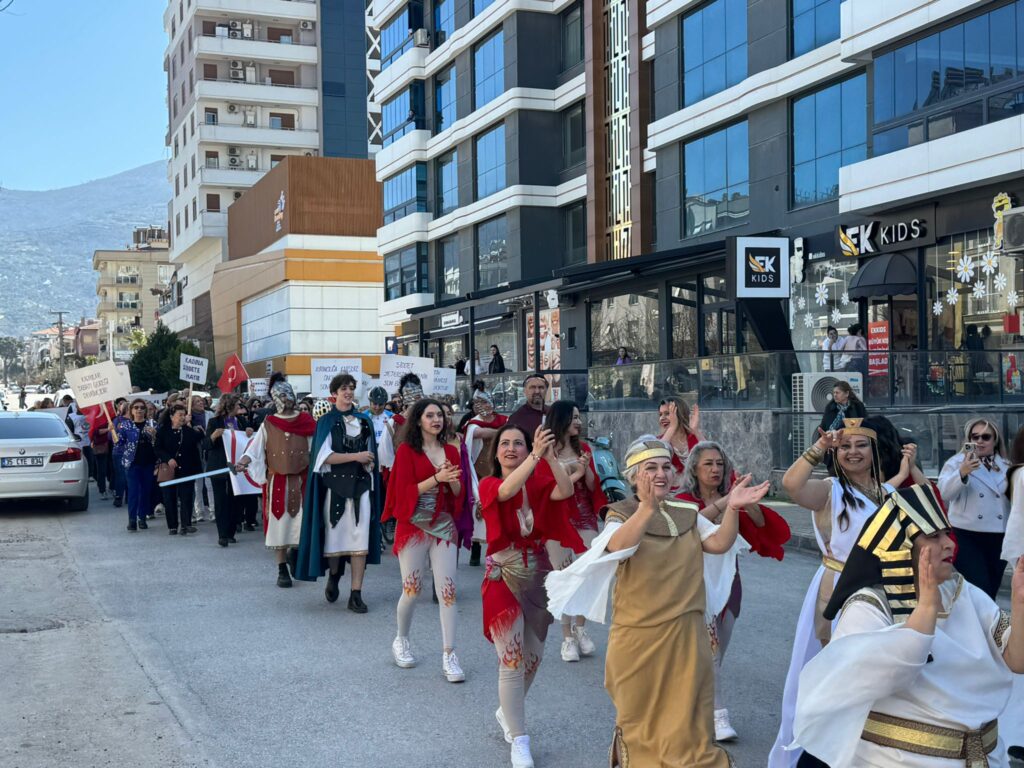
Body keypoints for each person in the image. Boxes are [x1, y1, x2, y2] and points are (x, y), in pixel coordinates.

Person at [546, 437, 769, 767]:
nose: (661, 474)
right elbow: (617, 546)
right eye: (650, 468)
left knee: (688, 720)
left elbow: (720, 543)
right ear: (633, 476)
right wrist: (646, 510)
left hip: (687, 635)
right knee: (642, 721)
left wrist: (733, 508)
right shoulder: (621, 514)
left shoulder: (687, 513)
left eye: (666, 467)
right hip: (640, 638)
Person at [793, 484, 1024, 767]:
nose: (950, 544)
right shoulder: (869, 606)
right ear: (901, 545)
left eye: (946, 533)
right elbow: (888, 677)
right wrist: (925, 608)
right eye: (933, 536)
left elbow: (1017, 660)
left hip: (986, 757)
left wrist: (1020, 604)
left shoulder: (962, 592)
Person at [769, 418, 895, 768]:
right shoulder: (831, 490)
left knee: (870, 678)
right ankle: (814, 753)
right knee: (832, 674)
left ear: (874, 450)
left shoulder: (889, 493)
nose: (853, 452)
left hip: (882, 591)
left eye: (861, 445)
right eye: (845, 447)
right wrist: (821, 445)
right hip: (838, 588)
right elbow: (791, 484)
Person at [478, 423, 585, 768]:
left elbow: (565, 490)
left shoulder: (538, 483)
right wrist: (536, 456)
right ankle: (520, 738)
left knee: (534, 659)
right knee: (511, 659)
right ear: (496, 453)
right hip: (502, 577)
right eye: (505, 444)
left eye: (518, 444)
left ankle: (507, 712)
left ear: (527, 449)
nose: (511, 448)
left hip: (538, 575)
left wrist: (550, 458)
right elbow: (507, 491)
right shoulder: (489, 484)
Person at [677, 440, 790, 742]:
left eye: (719, 463)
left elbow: (762, 526)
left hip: (729, 583)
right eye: (708, 464)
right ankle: (718, 716)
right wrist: (728, 502)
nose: (715, 469)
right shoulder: (683, 501)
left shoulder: (733, 497)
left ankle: (693, 704)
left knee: (715, 655)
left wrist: (745, 501)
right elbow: (692, 523)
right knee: (710, 653)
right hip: (694, 584)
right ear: (694, 469)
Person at [381, 398, 466, 682]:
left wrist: (452, 479)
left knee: (448, 592)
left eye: (439, 415)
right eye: (430, 415)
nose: (436, 420)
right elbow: (402, 492)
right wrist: (437, 477)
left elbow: (458, 494)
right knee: (412, 590)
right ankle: (401, 639)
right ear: (418, 420)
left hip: (443, 525)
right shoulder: (406, 451)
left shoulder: (451, 451)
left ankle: (449, 653)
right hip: (413, 524)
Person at [296, 373, 383, 613]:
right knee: (334, 539)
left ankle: (356, 593)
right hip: (334, 488)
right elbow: (323, 458)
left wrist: (369, 463)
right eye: (344, 388)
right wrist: (356, 456)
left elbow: (370, 454)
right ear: (334, 393)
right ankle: (334, 575)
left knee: (360, 540)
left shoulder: (364, 420)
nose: (348, 392)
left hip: (361, 487)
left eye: (351, 388)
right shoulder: (326, 421)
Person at [539, 400, 608, 663]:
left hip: (585, 517)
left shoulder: (585, 448)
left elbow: (592, 486)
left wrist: (585, 468)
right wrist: (575, 472)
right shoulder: (546, 452)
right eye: (574, 417)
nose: (579, 422)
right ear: (562, 419)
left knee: (586, 574)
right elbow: (548, 489)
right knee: (564, 576)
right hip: (557, 520)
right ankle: (567, 637)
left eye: (579, 417)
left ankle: (581, 628)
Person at [236, 380, 316, 588]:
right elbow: (254, 449)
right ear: (276, 399)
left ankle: (294, 554)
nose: (287, 399)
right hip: (278, 481)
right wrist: (243, 461)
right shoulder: (269, 424)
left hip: (301, 481)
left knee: (300, 524)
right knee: (279, 526)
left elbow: (316, 450)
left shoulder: (306, 421)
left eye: (288, 395)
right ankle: (281, 569)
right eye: (282, 396)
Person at [938, 418, 1010, 599]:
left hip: (999, 535)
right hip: (966, 534)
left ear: (995, 440)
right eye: (975, 437)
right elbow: (944, 494)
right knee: (980, 587)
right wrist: (962, 473)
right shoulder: (956, 463)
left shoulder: (1007, 466)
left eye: (986, 437)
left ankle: (985, 617)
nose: (980, 441)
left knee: (992, 587)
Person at [463, 390, 510, 566]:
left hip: (499, 470)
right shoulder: (473, 423)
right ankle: (476, 550)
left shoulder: (504, 420)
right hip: (480, 471)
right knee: (479, 510)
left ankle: (498, 549)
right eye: (480, 403)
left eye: (486, 402)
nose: (484, 406)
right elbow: (479, 433)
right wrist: (501, 432)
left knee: (499, 510)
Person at [205, 394, 253, 547]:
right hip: (219, 466)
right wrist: (213, 436)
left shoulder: (241, 421)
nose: (240, 408)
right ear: (229, 406)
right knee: (220, 500)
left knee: (236, 499)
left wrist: (249, 431)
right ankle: (222, 534)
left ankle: (231, 531)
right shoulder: (214, 422)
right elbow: (206, 445)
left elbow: (249, 441)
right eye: (237, 405)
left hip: (237, 466)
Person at [155, 403, 204, 536]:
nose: (182, 417)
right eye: (179, 415)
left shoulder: (188, 430)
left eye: (184, 415)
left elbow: (199, 438)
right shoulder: (163, 431)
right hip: (169, 469)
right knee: (169, 498)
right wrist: (168, 459)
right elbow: (158, 448)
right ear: (172, 417)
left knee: (186, 497)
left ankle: (186, 524)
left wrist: (193, 426)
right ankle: (172, 526)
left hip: (187, 469)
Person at [115, 399, 157, 532]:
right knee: (133, 491)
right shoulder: (125, 425)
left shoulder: (152, 424)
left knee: (145, 491)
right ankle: (132, 520)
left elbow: (159, 444)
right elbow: (119, 443)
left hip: (148, 462)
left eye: (142, 408)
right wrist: (112, 431)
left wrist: (154, 435)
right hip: (132, 463)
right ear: (131, 410)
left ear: (145, 410)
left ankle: (142, 518)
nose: (139, 410)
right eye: (136, 407)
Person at [377, 373, 424, 482]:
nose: (415, 398)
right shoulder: (394, 423)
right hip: (402, 476)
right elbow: (385, 456)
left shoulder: (428, 420)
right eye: (410, 393)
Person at [656, 395, 702, 474]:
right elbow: (656, 454)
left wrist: (695, 430)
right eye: (660, 414)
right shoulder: (659, 441)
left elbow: (712, 456)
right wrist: (672, 427)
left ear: (680, 414)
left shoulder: (695, 437)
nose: (662, 418)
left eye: (667, 413)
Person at [190, 394, 213, 523]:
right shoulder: (188, 418)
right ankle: (199, 511)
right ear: (191, 405)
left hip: (208, 452)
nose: (201, 403)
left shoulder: (210, 414)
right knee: (197, 485)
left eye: (201, 401)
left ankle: (213, 510)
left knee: (209, 483)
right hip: (195, 453)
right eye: (197, 401)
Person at [109, 398, 130, 507]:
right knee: (121, 475)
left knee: (129, 475)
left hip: (132, 452)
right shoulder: (117, 421)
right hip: (119, 452)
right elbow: (110, 437)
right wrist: (113, 430)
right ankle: (119, 496)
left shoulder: (135, 421)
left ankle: (129, 496)